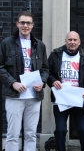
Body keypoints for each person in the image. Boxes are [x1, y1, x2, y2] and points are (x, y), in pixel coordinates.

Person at [0, 11, 49, 151]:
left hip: (34, 95)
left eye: (28, 23)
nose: (25, 25)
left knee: (31, 134)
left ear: (32, 25)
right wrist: (12, 82)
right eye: (22, 22)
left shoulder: (39, 45)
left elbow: (45, 69)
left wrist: (42, 82)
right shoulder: (6, 43)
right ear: (17, 24)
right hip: (14, 95)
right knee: (13, 133)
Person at [47, 31, 84, 151]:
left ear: (79, 42)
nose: (72, 42)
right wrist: (53, 81)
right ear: (65, 41)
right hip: (61, 99)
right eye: (70, 40)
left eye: (75, 40)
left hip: (79, 98)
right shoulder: (55, 54)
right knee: (60, 130)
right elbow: (47, 72)